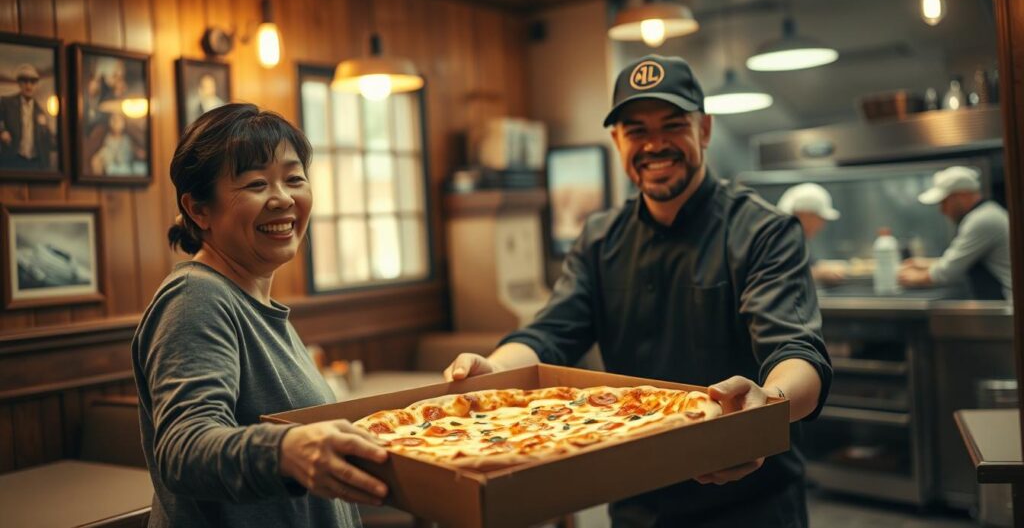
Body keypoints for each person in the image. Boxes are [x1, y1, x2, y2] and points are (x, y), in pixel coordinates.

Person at [444, 55, 831, 528]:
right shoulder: (600, 238)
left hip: (751, 503)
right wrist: (496, 368)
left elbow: (797, 352)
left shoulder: (763, 231)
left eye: (672, 126)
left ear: (704, 130)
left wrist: (764, 412)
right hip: (636, 502)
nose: (654, 145)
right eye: (636, 130)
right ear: (617, 141)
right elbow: (550, 334)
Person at [132, 104, 388, 528]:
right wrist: (286, 450)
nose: (283, 198)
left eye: (294, 179)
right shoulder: (195, 296)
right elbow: (183, 446)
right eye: (255, 183)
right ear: (198, 209)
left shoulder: (254, 301)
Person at [898, 165, 1012, 300]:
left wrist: (911, 276)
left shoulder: (982, 220)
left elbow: (946, 273)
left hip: (1007, 306)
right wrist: (923, 263)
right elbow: (961, 260)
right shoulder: (986, 213)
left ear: (963, 195)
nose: (942, 210)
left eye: (944, 202)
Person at [776, 182, 847, 285]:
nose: (821, 226)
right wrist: (819, 274)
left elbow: (807, 265)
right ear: (804, 214)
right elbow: (781, 276)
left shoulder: (798, 238)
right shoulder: (780, 239)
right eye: (820, 219)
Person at [0, 63, 56, 171]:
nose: (28, 85)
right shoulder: (6, 103)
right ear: (19, 83)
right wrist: (2, 131)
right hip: (12, 159)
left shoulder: (41, 111)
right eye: (25, 81)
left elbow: (47, 137)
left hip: (35, 163)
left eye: (32, 82)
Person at [89, 111, 146, 176]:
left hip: (125, 168)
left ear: (123, 123)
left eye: (118, 121)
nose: (116, 123)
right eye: (114, 120)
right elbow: (100, 155)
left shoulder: (128, 139)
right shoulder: (104, 138)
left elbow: (137, 152)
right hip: (111, 168)